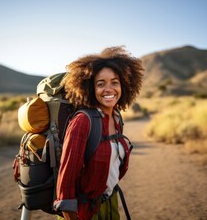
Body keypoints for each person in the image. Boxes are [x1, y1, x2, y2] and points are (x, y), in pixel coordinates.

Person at [53, 46, 144, 220]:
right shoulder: (83, 122)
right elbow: (67, 180)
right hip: (84, 213)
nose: (109, 89)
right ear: (90, 88)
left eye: (115, 82)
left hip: (110, 203)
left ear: (124, 86)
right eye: (101, 84)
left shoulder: (116, 118)